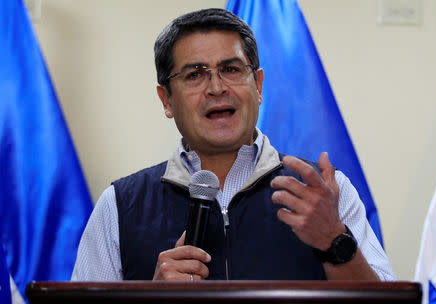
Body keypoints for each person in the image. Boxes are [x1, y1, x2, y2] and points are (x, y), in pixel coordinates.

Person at [71, 8, 396, 281]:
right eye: (195, 75)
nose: (216, 87)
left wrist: (335, 241)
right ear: (166, 100)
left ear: (258, 86)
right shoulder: (119, 205)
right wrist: (149, 299)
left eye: (231, 69)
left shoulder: (326, 193)